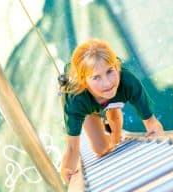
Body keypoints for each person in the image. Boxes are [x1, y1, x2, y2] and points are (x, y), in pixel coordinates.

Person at [60, 39, 164, 184]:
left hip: (114, 99)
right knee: (101, 149)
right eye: (96, 77)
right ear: (84, 81)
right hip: (89, 107)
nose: (107, 83)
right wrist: (66, 168)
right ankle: (103, 119)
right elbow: (72, 147)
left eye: (110, 71)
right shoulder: (76, 99)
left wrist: (155, 133)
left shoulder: (126, 82)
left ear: (116, 66)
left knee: (115, 129)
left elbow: (152, 123)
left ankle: (113, 126)